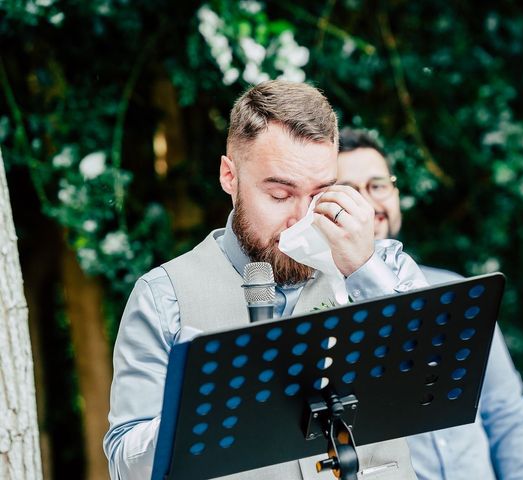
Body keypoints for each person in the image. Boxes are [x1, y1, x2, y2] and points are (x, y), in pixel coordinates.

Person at [104, 80, 432, 480]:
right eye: (279, 195)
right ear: (230, 176)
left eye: (320, 194)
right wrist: (195, 412)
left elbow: (434, 384)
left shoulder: (384, 264)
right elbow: (125, 463)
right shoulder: (163, 296)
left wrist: (362, 271)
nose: (301, 218)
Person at [338, 127, 523, 480]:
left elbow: (505, 412)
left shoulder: (455, 291)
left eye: (378, 186)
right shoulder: (320, 314)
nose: (369, 204)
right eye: (348, 192)